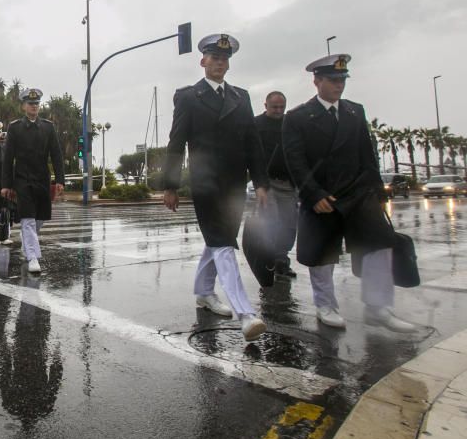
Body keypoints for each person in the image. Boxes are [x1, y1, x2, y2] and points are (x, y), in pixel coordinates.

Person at [280, 54, 416, 332]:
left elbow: (367, 153)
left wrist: (376, 189)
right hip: (321, 195)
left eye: (342, 80)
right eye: (332, 80)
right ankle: (325, 305)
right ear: (316, 81)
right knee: (322, 254)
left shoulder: (355, 111)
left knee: (379, 244)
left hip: (357, 192)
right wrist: (313, 194)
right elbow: (295, 160)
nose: (338, 85)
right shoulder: (298, 117)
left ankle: (378, 307)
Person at [162, 33, 269, 342]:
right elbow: (176, 142)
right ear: (203, 61)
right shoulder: (187, 96)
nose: (219, 63)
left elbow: (253, 143)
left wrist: (260, 182)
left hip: (236, 182)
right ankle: (246, 314)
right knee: (223, 243)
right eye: (214, 58)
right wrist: (170, 186)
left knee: (219, 240)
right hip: (205, 182)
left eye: (224, 59)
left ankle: (204, 292)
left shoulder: (241, 97)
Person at [1, 89, 65, 273]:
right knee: (28, 218)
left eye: (36, 103)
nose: (34, 106)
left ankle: (28, 242)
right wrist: (6, 184)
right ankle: (33, 258)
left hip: (42, 179)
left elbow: (56, 154)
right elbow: (8, 158)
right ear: (23, 106)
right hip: (22, 179)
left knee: (40, 218)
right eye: (30, 103)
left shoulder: (48, 127)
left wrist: (60, 179)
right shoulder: (15, 128)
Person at [254, 91, 298, 278]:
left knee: (289, 224)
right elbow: (252, 156)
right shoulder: (256, 125)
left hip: (288, 182)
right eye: (274, 107)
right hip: (267, 183)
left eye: (282, 107)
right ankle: (268, 259)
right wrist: (259, 184)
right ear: (266, 106)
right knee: (271, 220)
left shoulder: (291, 124)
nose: (279, 110)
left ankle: (282, 260)